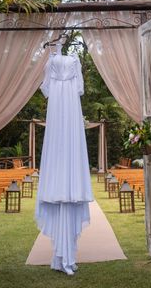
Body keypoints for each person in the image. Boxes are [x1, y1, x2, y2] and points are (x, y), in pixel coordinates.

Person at [34, 41, 94, 275]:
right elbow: (79, 88)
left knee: (62, 144)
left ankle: (64, 257)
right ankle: (63, 258)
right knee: (62, 142)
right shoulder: (73, 62)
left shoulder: (51, 63)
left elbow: (47, 89)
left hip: (61, 109)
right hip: (65, 109)